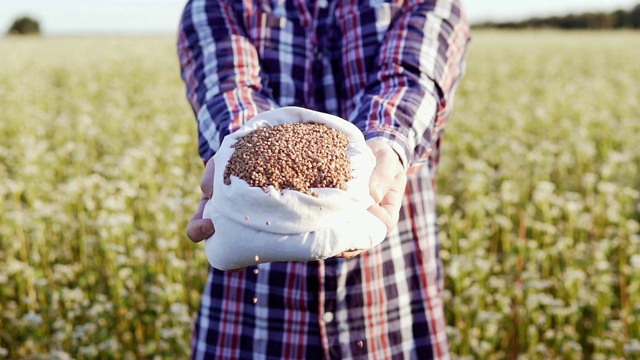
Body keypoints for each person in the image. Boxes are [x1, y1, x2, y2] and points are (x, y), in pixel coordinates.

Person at [177, 0, 470, 358]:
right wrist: (239, 145)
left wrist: (386, 144)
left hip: (387, 303)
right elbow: (231, 90)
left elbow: (411, 78)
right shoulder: (219, 5)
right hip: (253, 315)